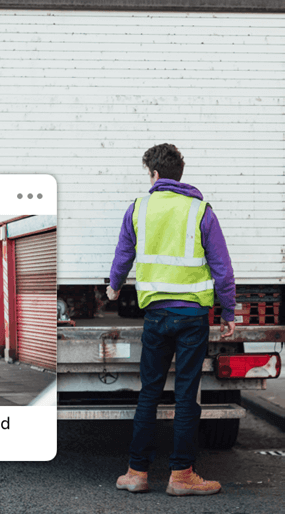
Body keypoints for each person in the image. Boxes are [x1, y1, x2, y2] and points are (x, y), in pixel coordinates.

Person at [106, 143, 236, 496]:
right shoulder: (201, 211)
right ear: (179, 174)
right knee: (185, 396)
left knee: (149, 392)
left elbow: (123, 255)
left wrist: (114, 288)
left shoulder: (139, 207)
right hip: (193, 316)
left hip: (157, 315)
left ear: (155, 174)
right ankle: (181, 476)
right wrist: (228, 311)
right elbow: (222, 267)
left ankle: (137, 473)